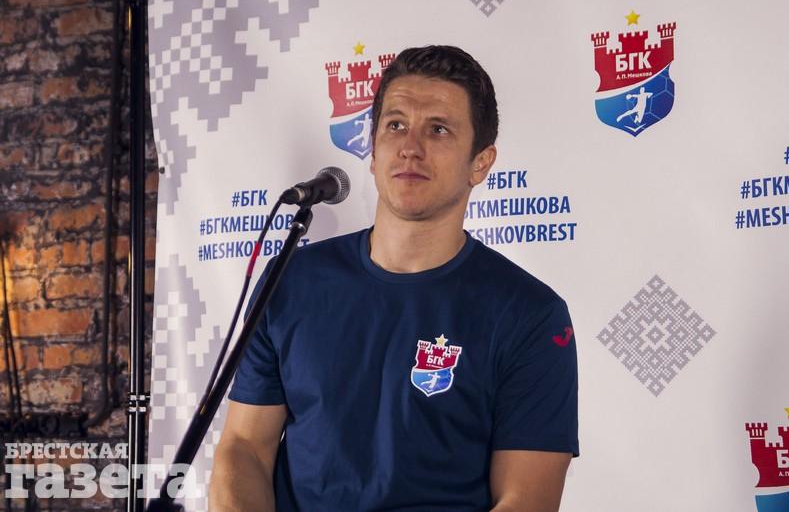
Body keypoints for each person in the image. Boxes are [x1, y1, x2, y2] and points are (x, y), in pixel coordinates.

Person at [210, 45, 579, 512]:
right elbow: (244, 447)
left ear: (480, 163)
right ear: (372, 149)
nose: (410, 147)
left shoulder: (529, 314)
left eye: (438, 129)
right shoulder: (291, 280)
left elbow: (526, 500)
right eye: (396, 125)